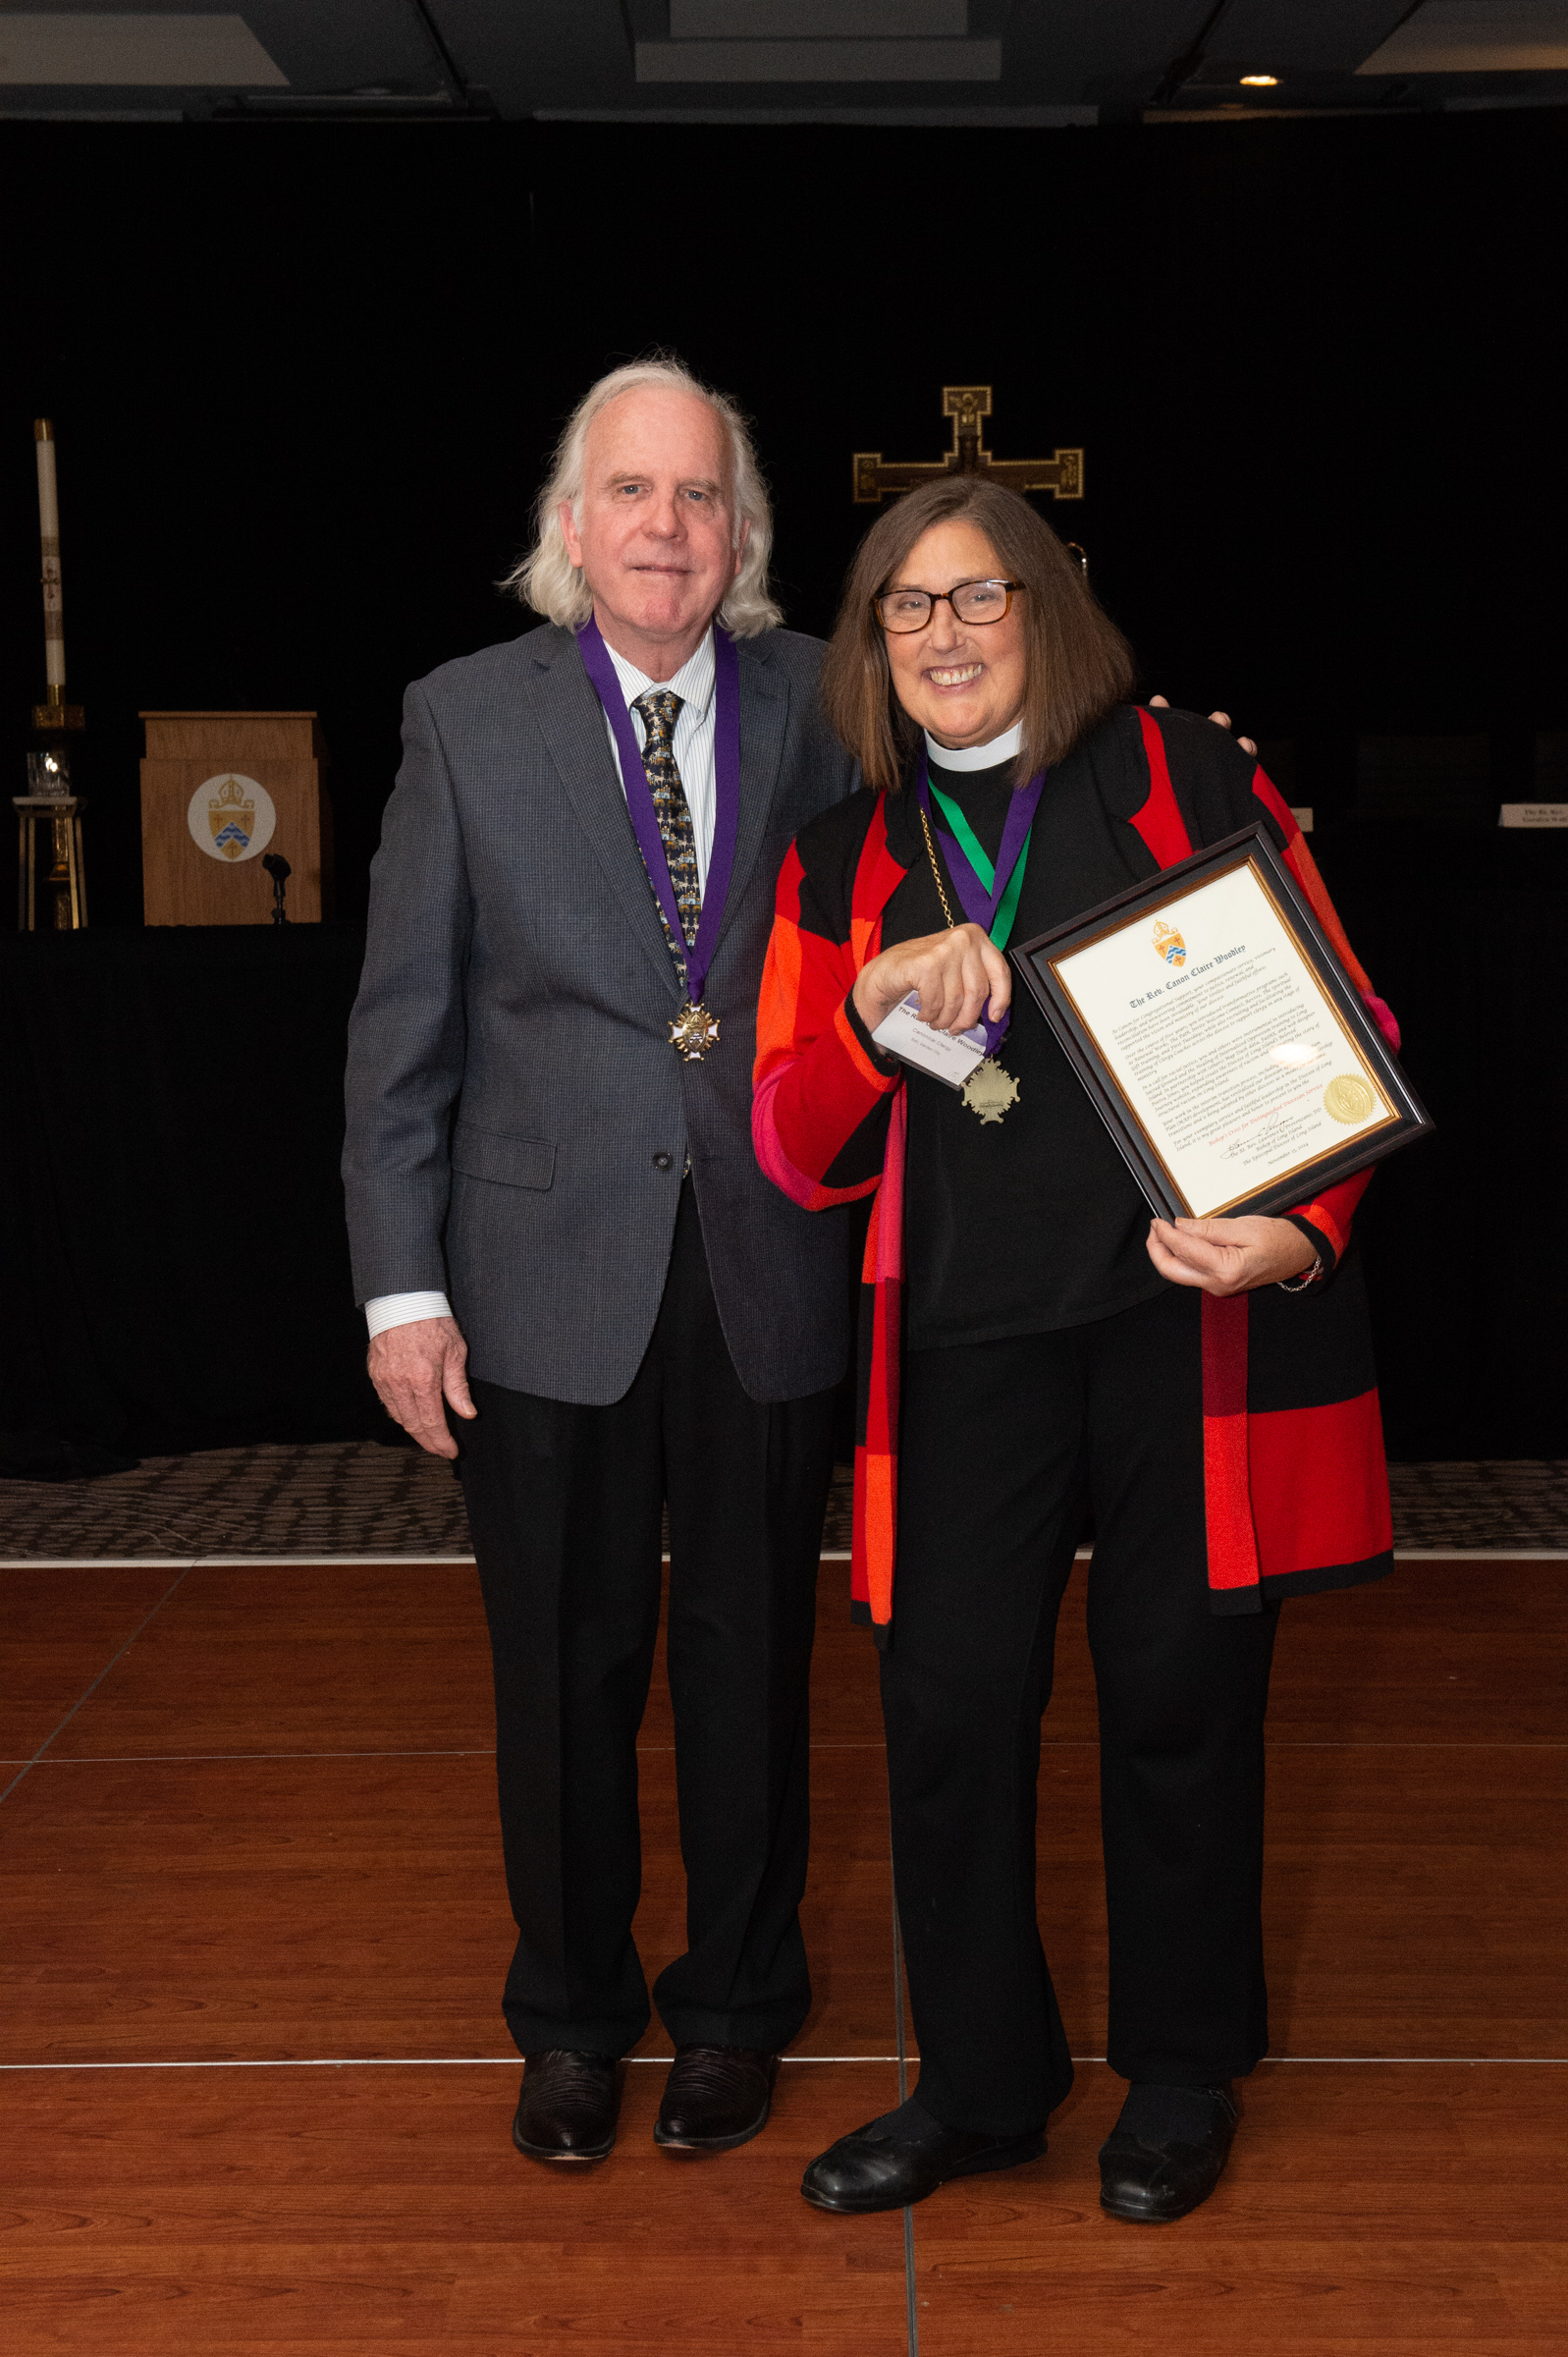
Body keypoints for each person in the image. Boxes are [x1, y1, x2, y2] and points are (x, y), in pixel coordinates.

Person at [751, 476, 1398, 2223]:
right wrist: (879, 1022)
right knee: (949, 1706)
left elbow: (1344, 1026)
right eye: (907, 605)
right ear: (870, 645)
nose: (944, 635)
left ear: (1043, 609)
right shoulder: (844, 856)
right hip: (962, 1344)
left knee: (1182, 1694)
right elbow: (788, 1141)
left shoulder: (1183, 769)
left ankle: (1179, 2072)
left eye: (977, 597)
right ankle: (978, 2086)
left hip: (1174, 1327)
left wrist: (1298, 1230)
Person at [342, 358, 861, 2166]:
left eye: (699, 497)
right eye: (631, 494)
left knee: (747, 1656)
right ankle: (568, 2015)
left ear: (743, 536)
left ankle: (733, 2007)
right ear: (573, 527)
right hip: (539, 1273)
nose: (665, 528)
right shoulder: (461, 720)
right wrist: (402, 1287)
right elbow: (402, 1023)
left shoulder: (824, 700)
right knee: (559, 1667)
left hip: (765, 1254)